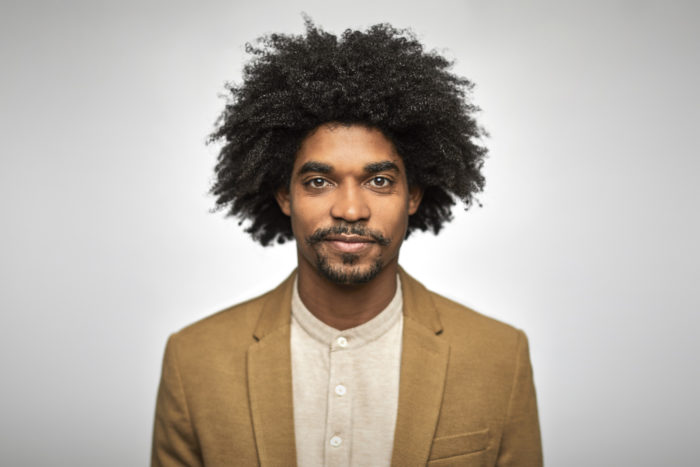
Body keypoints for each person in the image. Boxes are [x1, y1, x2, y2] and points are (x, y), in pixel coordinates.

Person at [152, 19, 542, 467]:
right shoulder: (195, 360)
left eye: (379, 180)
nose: (351, 210)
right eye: (319, 181)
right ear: (284, 195)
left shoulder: (498, 356)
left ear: (413, 195)